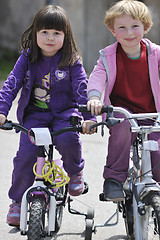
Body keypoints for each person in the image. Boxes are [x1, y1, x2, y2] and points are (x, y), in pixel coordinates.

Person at [0, 5, 96, 226]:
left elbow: (82, 88)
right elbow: (11, 84)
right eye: (44, 32)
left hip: (65, 113)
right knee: (26, 155)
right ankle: (17, 200)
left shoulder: (71, 59)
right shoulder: (27, 57)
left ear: (66, 36)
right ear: (35, 34)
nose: (50, 38)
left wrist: (89, 118)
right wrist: (2, 110)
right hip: (35, 114)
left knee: (68, 139)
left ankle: (74, 173)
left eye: (56, 33)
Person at [87, 0, 160, 202]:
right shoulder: (108, 56)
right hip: (121, 111)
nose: (129, 33)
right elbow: (97, 76)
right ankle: (114, 179)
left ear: (145, 28)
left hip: (151, 113)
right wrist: (94, 97)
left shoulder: (155, 54)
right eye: (122, 27)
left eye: (135, 26)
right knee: (121, 128)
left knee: (157, 148)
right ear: (113, 31)